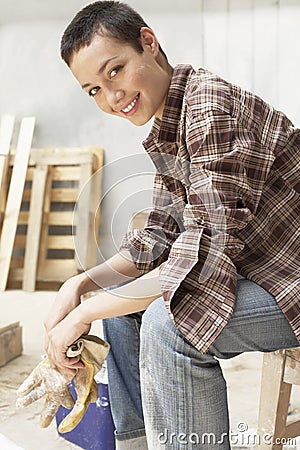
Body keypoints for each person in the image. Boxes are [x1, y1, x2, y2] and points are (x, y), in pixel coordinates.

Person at [44, 1, 300, 449]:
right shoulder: (170, 120)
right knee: (124, 313)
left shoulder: (209, 110)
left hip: (289, 281)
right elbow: (157, 239)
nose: (111, 97)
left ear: (148, 42)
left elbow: (200, 263)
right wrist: (81, 286)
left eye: (116, 71)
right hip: (261, 275)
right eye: (94, 90)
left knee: (168, 323)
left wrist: (85, 313)